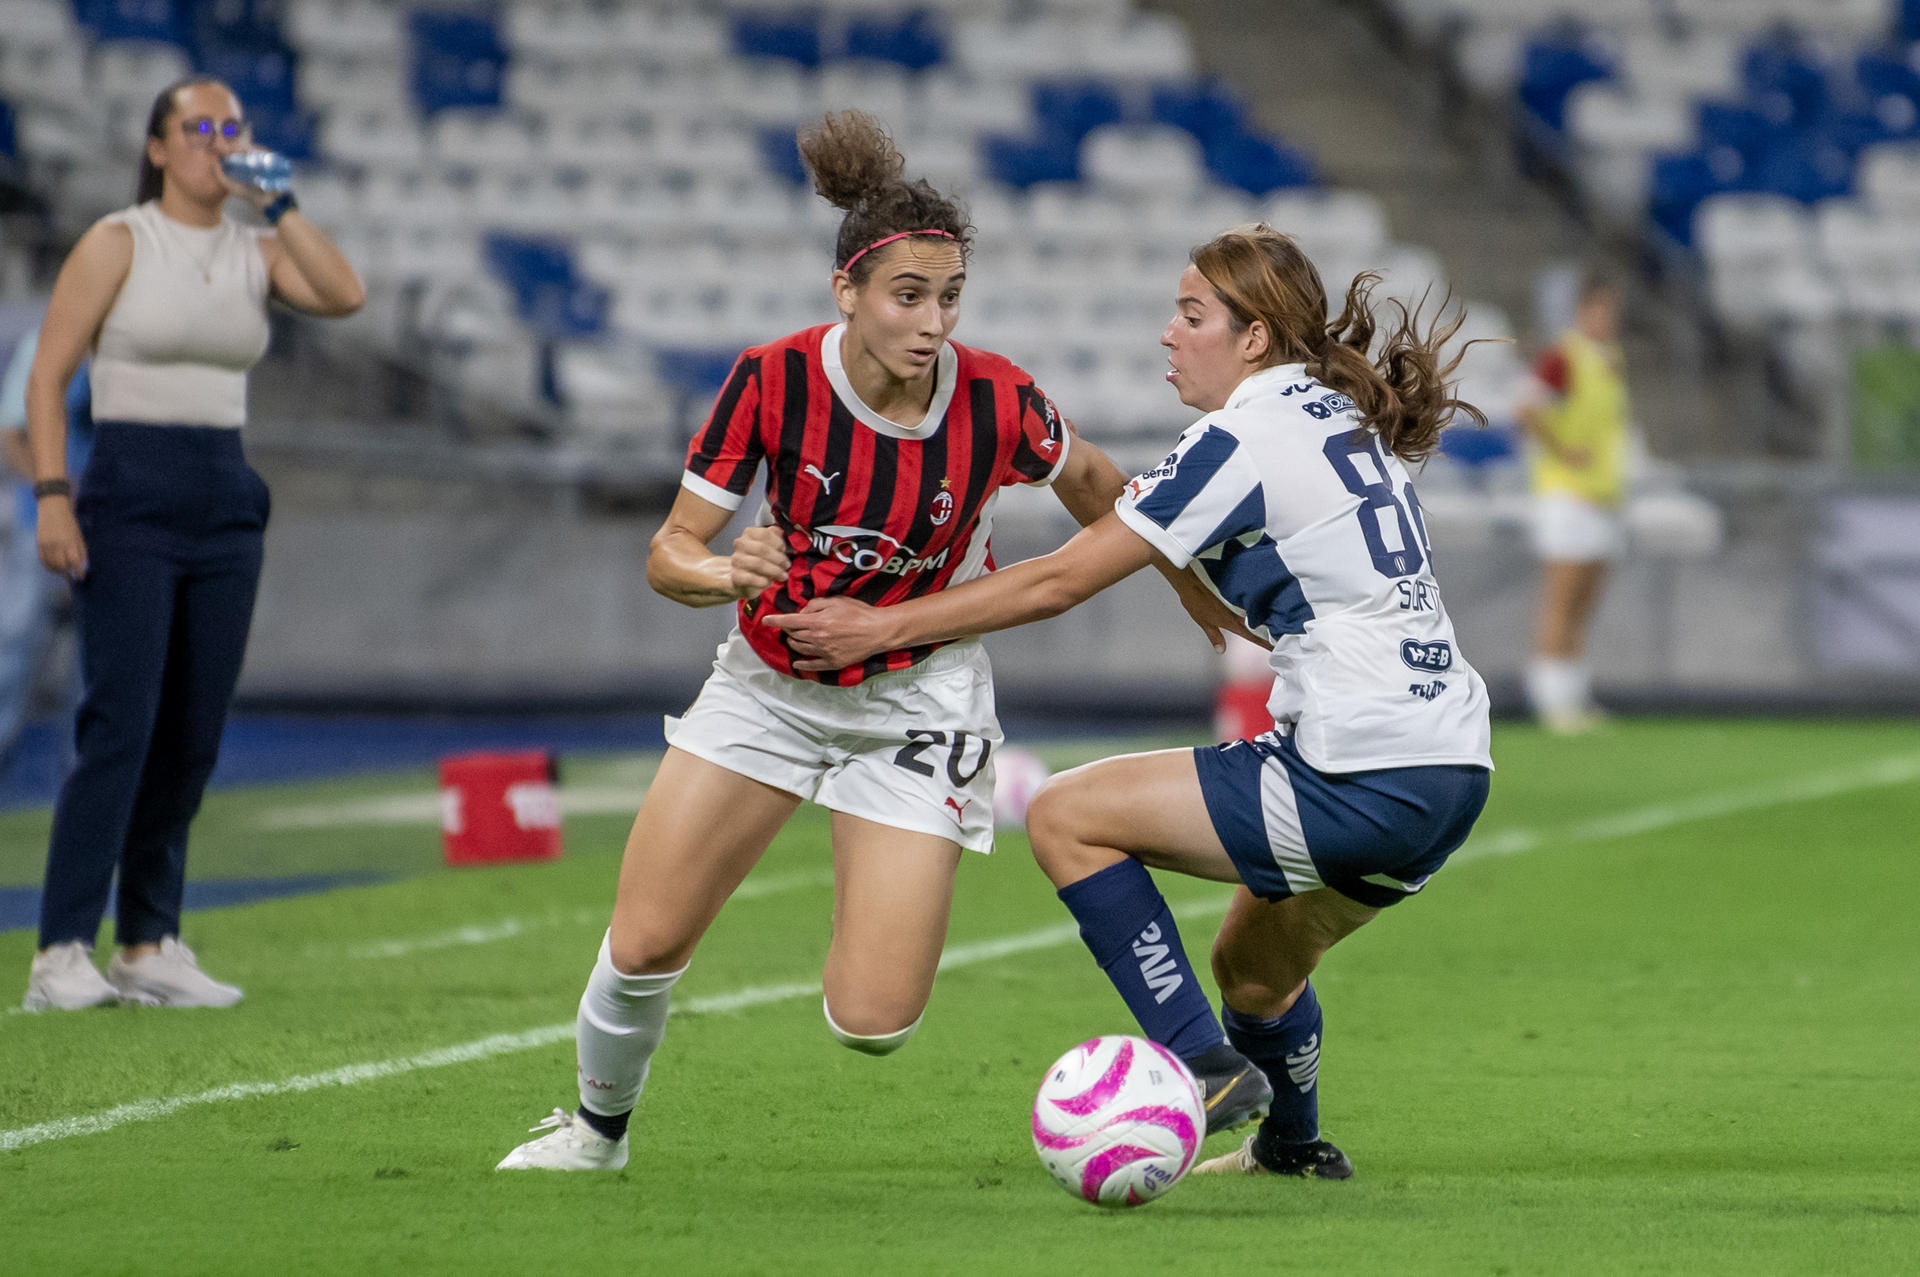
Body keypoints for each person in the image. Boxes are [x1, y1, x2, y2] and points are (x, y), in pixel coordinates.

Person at [497, 111, 1230, 1171]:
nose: (933, 322)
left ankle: (865, 849)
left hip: (919, 702)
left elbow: (1097, 486)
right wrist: (721, 573)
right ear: (847, 291)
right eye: (908, 296)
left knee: (873, 1017)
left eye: (948, 298)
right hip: (767, 688)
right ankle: (594, 1132)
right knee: (648, 938)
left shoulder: (999, 397)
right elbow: (670, 550)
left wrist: (1184, 581)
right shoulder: (773, 380)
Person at [768, 224, 1495, 1180]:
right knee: (1254, 968)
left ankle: (1203, 1066)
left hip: (1355, 764)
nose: (1168, 334)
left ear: (1254, 339)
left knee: (1067, 816)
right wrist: (1198, 584)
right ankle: (1293, 1148)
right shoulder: (1341, 418)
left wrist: (881, 627)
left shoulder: (1242, 434)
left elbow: (1056, 581)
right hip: (1454, 764)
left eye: (1192, 315)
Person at [19, 76, 364, 1012]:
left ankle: (146, 941)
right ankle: (59, 951)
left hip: (222, 492)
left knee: (191, 733)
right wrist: (55, 495)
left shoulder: (260, 249)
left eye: (230, 127)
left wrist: (280, 201)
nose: (216, 141)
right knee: (117, 725)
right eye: (196, 128)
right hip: (128, 490)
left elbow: (345, 294)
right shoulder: (119, 240)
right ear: (160, 147)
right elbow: (46, 381)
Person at [1517, 270, 1629, 734]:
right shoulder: (1563, 356)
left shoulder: (1608, 359)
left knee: (1585, 600)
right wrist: (1563, 450)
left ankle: (1572, 693)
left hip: (1602, 494)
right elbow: (1526, 408)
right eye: (1599, 310)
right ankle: (1550, 697)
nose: (1607, 319)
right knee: (1562, 598)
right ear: (1583, 312)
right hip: (1566, 493)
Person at [0, 327, 93, 775]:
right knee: (15, 645)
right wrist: (56, 494)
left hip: (109, 529)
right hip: (42, 522)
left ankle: (85, 775)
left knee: (97, 658)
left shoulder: (132, 341)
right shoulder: (47, 341)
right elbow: (10, 436)